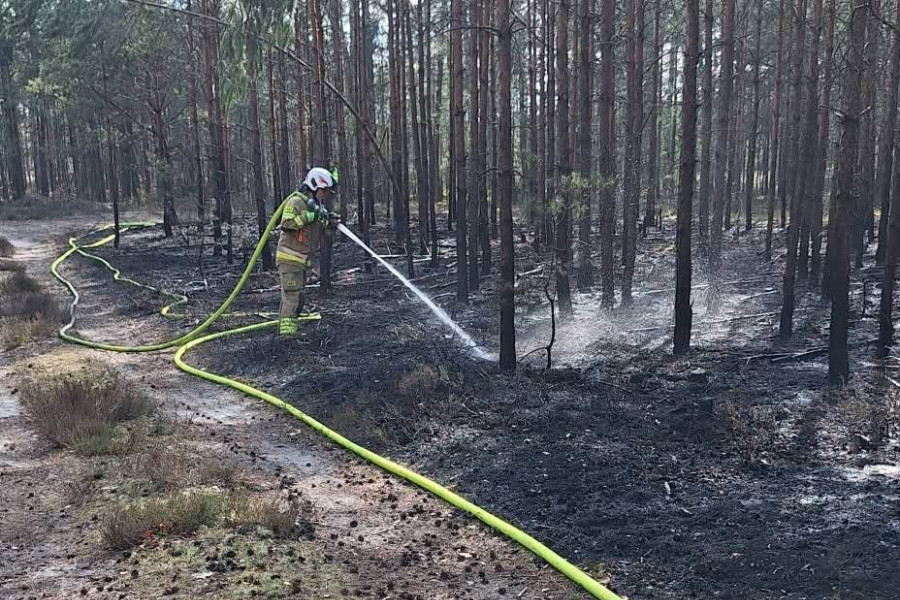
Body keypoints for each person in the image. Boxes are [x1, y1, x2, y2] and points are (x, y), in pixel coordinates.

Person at [276, 166, 339, 337]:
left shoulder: (317, 208)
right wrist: (310, 216)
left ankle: (290, 329)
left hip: (301, 262)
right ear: (314, 186)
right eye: (323, 190)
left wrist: (331, 225)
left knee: (299, 298)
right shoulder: (296, 202)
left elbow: (324, 235)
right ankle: (287, 338)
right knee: (292, 297)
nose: (325, 195)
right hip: (289, 259)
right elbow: (287, 224)